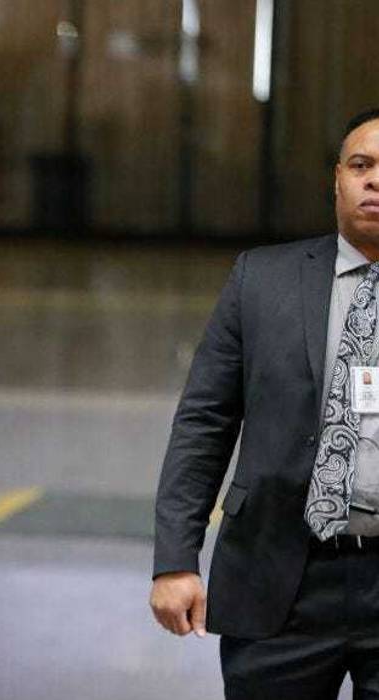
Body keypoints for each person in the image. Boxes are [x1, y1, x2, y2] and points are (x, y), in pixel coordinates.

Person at [151, 108, 379, 698]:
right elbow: (204, 423)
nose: (375, 180)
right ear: (336, 179)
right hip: (279, 579)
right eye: (361, 165)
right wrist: (176, 559)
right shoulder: (262, 280)